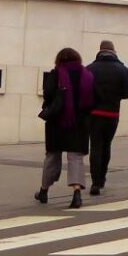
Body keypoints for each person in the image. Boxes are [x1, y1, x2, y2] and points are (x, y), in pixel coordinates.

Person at [36, 48, 94, 209]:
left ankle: (44, 191)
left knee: (52, 157)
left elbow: (47, 94)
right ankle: (76, 193)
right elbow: (93, 100)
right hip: (80, 123)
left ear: (59, 60)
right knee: (75, 158)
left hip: (57, 123)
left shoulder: (55, 74)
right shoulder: (87, 75)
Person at [85, 39, 128, 196]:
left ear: (99, 50)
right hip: (112, 114)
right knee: (106, 146)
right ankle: (102, 178)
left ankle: (94, 183)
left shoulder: (89, 69)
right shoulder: (122, 70)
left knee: (96, 146)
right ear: (114, 51)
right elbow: (127, 93)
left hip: (94, 114)